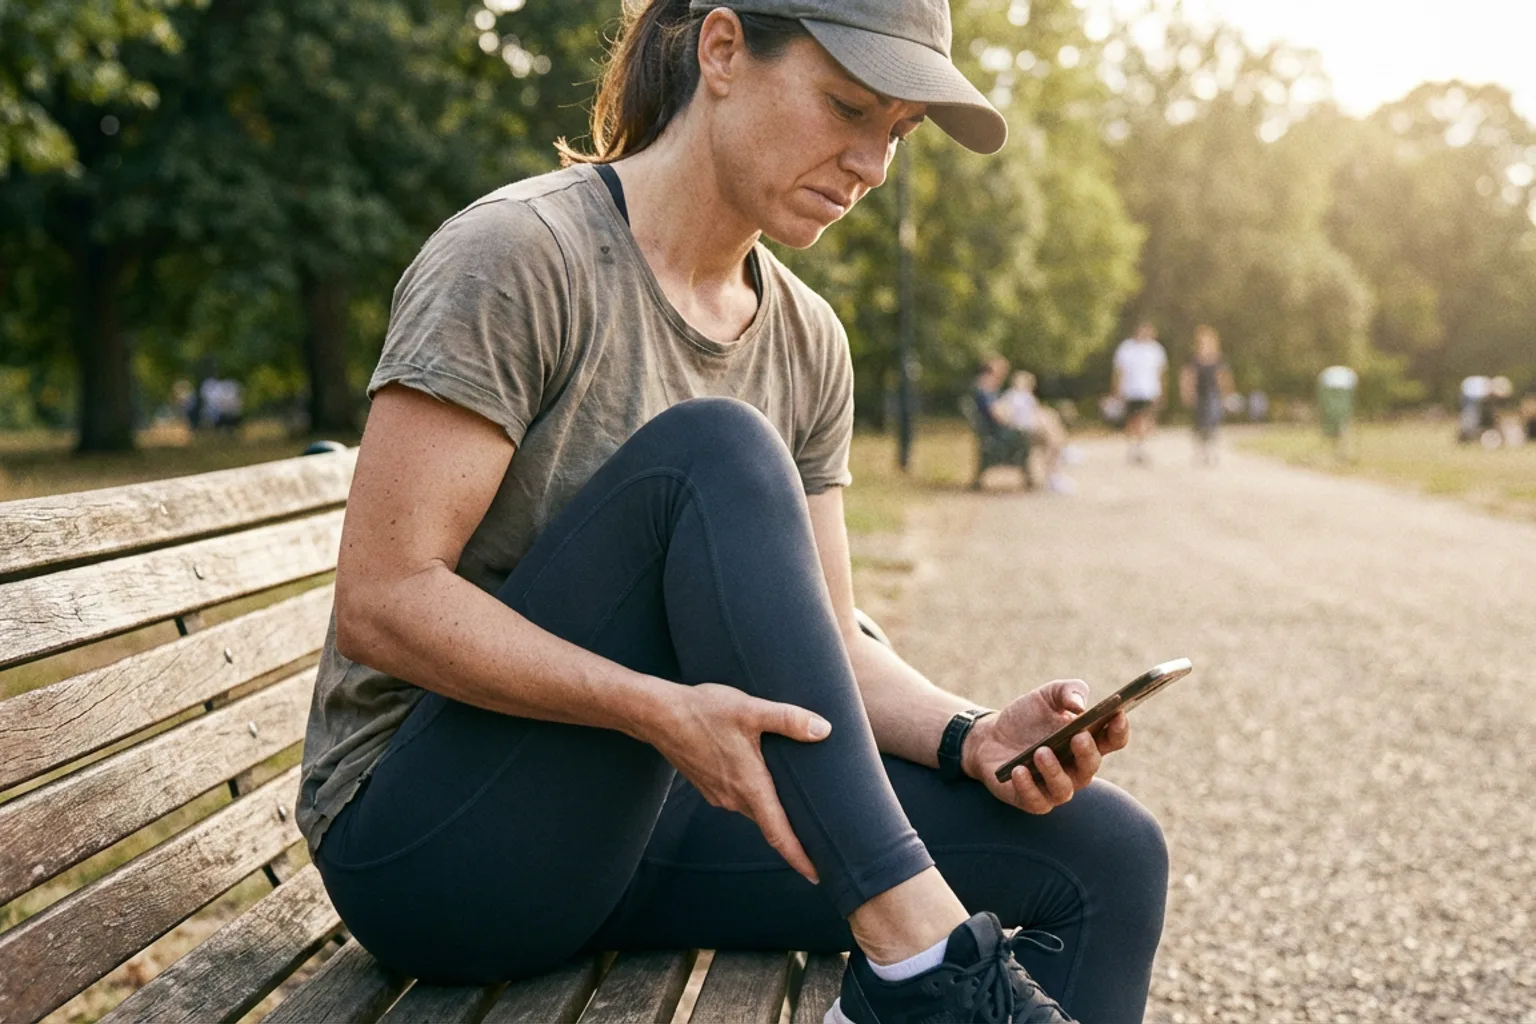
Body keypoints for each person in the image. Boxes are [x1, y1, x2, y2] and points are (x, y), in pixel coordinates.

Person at [296, 4, 1167, 1024]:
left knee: (1110, 852)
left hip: (652, 820)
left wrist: (967, 734)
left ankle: (918, 973)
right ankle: (922, 965)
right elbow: (384, 601)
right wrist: (656, 709)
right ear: (720, 51)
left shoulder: (807, 339)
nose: (872, 164)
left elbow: (833, 641)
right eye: (847, 106)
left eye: (896, 133)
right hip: (436, 845)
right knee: (716, 451)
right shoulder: (520, 255)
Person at [999, 370, 1074, 493]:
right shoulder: (1013, 396)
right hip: (1023, 430)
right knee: (1051, 434)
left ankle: (1056, 469)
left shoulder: (1024, 397)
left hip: (1030, 428)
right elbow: (1005, 413)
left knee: (1050, 421)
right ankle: (1055, 472)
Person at [967, 355, 1032, 487]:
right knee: (1027, 433)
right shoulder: (985, 389)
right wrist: (1009, 414)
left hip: (993, 429)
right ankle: (1035, 475)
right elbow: (997, 414)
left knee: (1031, 429)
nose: (1003, 375)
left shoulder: (986, 388)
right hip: (995, 432)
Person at [1112, 322, 1168, 465]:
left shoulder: (1156, 350)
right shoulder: (1126, 348)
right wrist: (1116, 391)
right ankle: (1133, 446)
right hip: (1130, 390)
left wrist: (1162, 392)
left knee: (1145, 419)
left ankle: (1141, 447)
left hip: (1149, 390)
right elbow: (1119, 371)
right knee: (1133, 420)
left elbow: (1161, 373)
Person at [1178, 326, 1234, 466]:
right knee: (1200, 424)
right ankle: (1201, 451)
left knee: (1213, 421)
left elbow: (1224, 377)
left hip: (1213, 394)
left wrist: (1228, 394)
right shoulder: (1194, 359)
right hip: (1199, 394)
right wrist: (1187, 393)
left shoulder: (1218, 359)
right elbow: (1187, 376)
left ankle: (1212, 451)